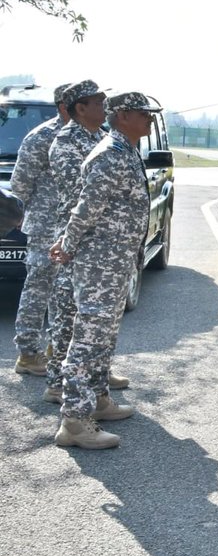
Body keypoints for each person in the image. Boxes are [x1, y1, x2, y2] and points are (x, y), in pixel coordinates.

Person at [50, 91, 160, 449]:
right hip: (99, 263)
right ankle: (74, 421)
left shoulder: (125, 150)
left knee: (105, 336)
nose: (149, 119)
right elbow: (86, 209)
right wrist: (67, 245)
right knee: (88, 339)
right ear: (123, 115)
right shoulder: (109, 154)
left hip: (116, 260)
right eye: (144, 113)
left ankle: (97, 399)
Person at [43, 81, 118, 405]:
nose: (104, 106)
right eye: (98, 102)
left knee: (93, 318)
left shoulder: (101, 137)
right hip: (74, 241)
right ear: (80, 108)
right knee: (67, 314)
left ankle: (95, 376)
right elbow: (83, 193)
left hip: (98, 241)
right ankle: (57, 383)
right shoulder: (65, 143)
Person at [10, 83, 70, 376]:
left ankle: (57, 349)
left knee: (66, 291)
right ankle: (28, 354)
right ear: (65, 106)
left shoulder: (90, 136)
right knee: (38, 290)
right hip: (45, 226)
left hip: (74, 228)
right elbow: (20, 184)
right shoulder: (42, 137)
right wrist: (22, 216)